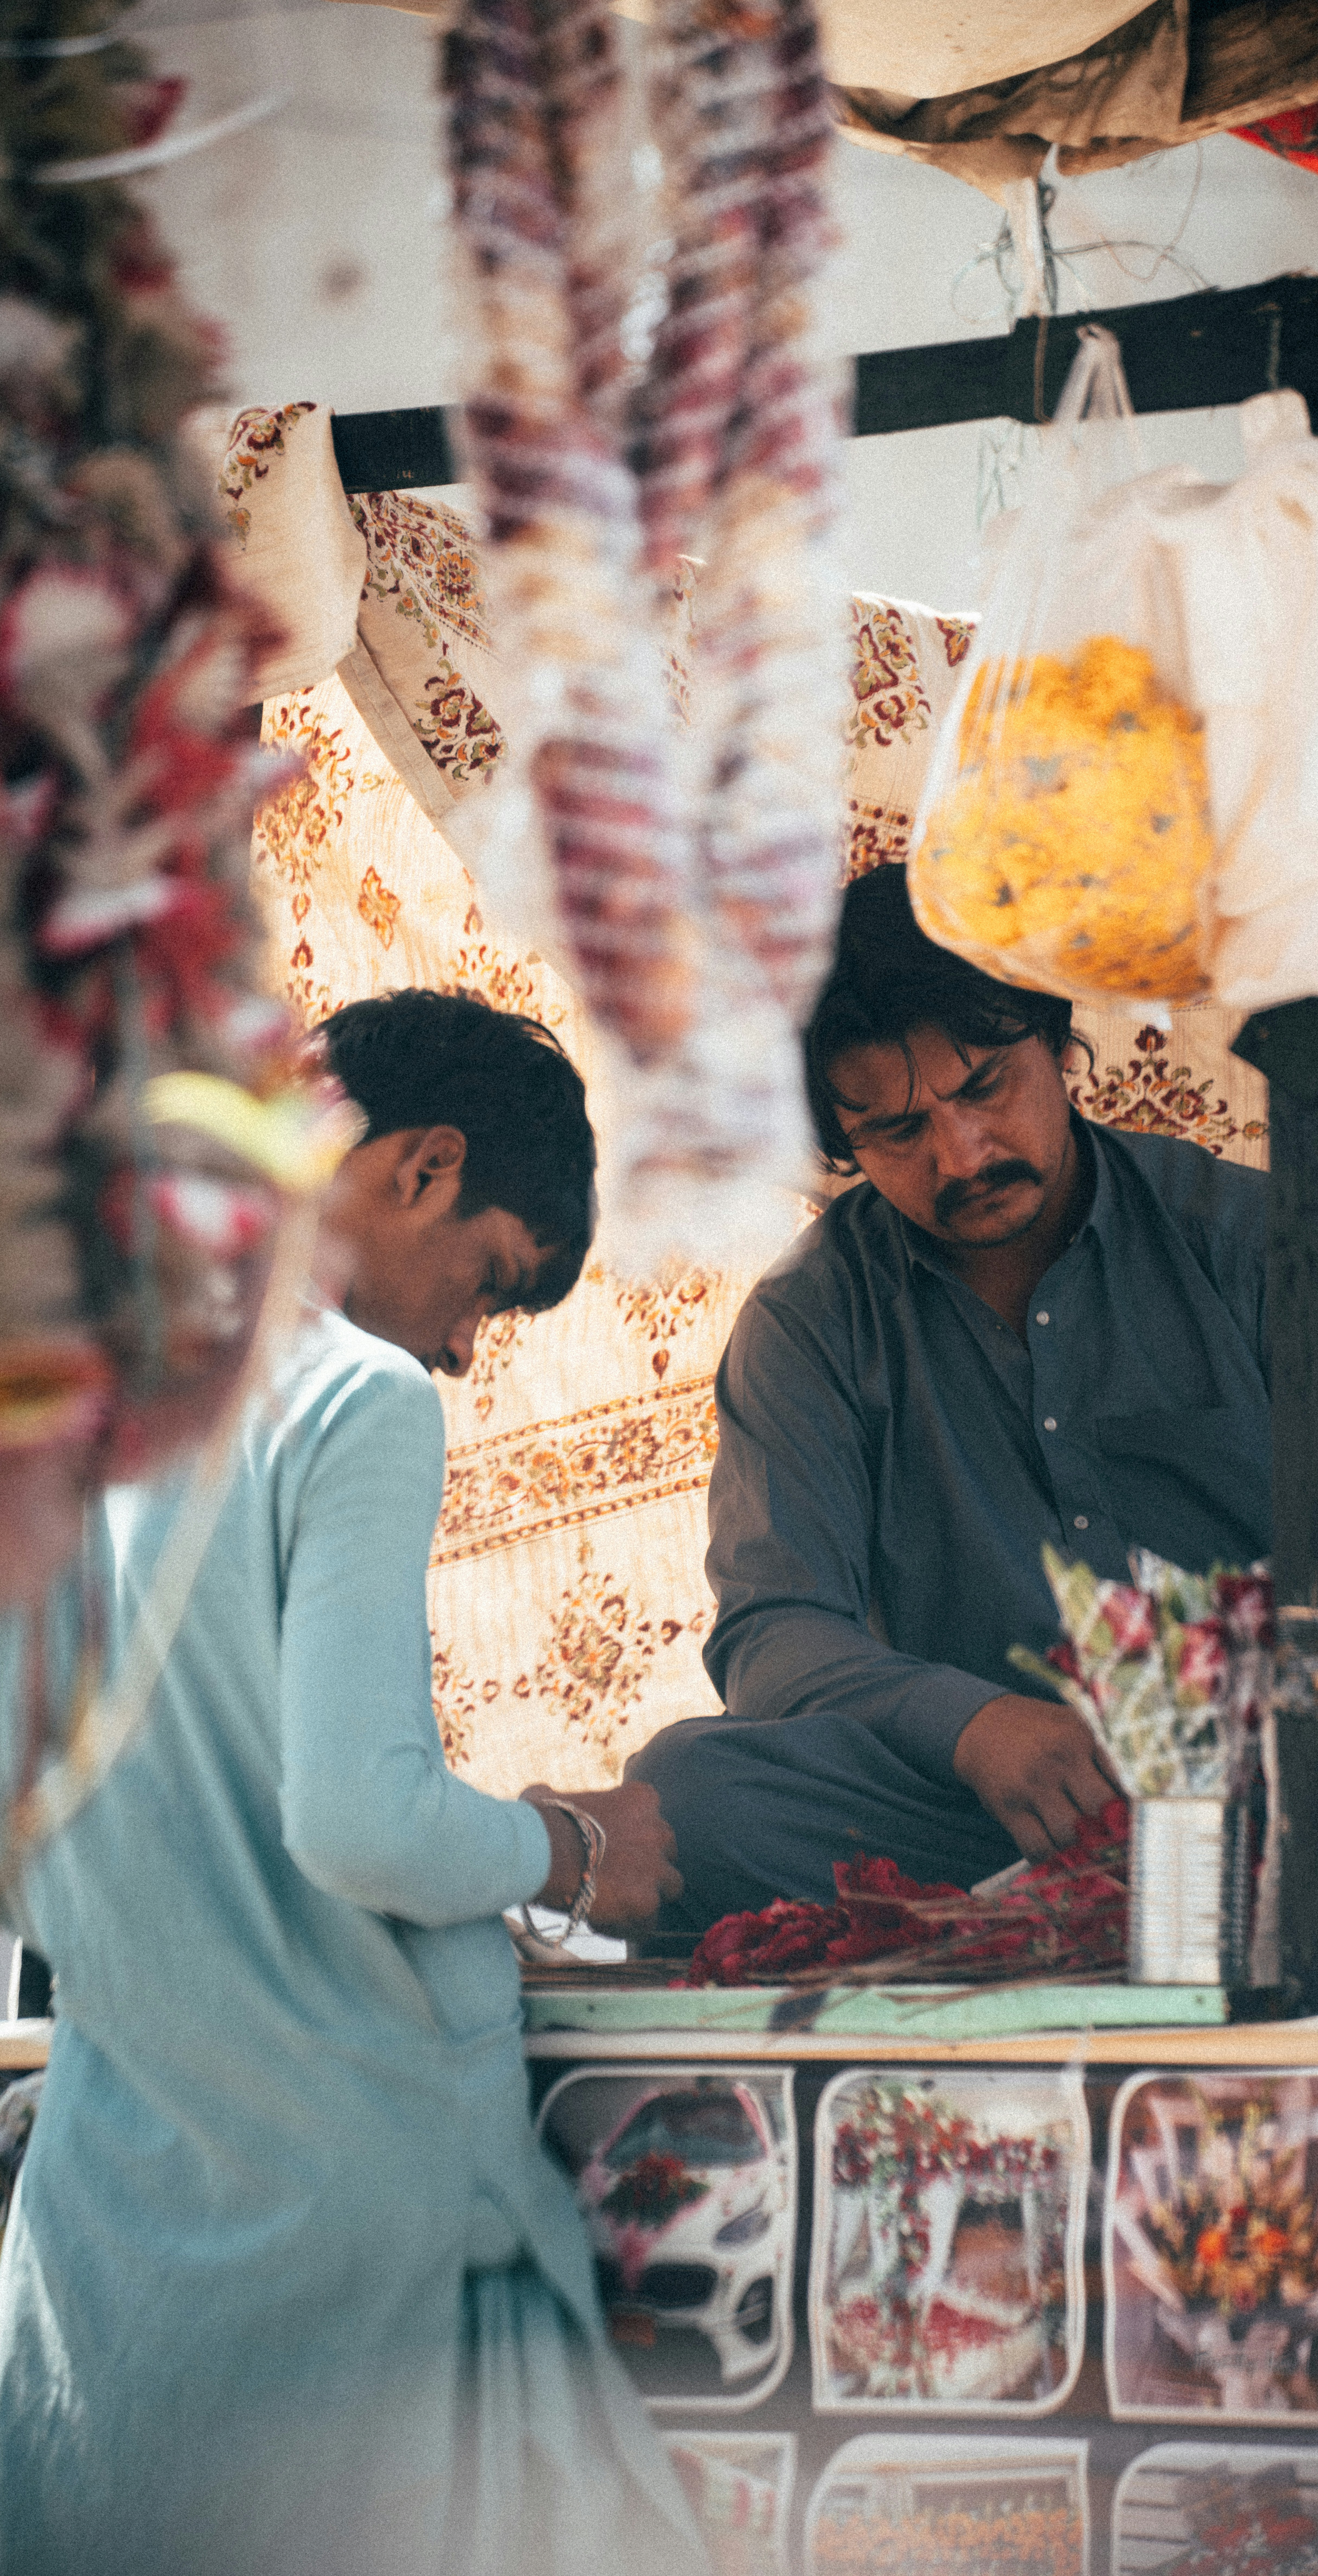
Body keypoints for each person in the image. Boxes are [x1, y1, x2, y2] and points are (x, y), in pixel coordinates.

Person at [0, 990, 700, 2576]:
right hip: (342, 2239)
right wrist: (564, 1850)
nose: (460, 1350)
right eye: (490, 1291)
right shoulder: (346, 1394)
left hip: (114, 2233)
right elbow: (363, 1818)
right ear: (425, 1168)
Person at [630, 866, 1318, 1936]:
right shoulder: (809, 1323)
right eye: (897, 1132)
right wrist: (975, 1729)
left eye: (985, 1087)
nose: (961, 1153)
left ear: (1059, 1046)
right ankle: (1097, 1915)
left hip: (1285, 1782)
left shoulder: (1255, 1242)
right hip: (1002, 1815)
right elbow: (773, 1633)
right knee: (688, 1795)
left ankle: (1218, 1892)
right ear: (842, 1147)